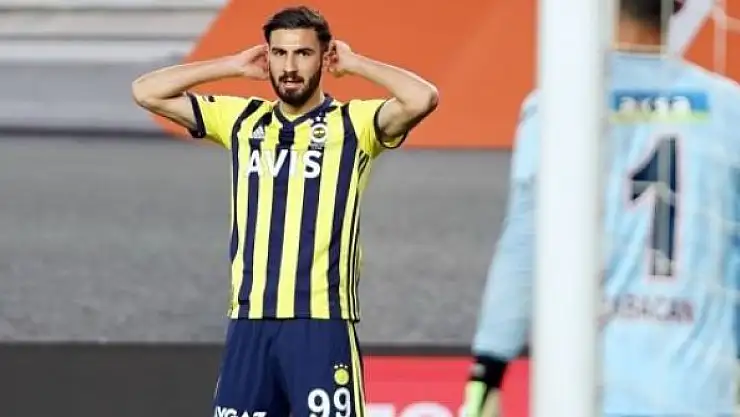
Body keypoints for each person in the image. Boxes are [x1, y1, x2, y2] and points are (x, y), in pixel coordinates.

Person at [132, 6, 438, 417]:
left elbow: (423, 98)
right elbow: (146, 91)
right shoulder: (242, 119)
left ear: (324, 58)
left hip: (320, 323)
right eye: (279, 53)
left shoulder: (354, 124)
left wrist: (356, 63)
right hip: (250, 322)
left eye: (303, 53)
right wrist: (231, 65)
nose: (290, 67)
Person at [463, 0, 740, 416]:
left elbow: (524, 243)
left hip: (586, 389)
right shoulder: (728, 109)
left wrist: (488, 370)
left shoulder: (560, 105)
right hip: (696, 393)